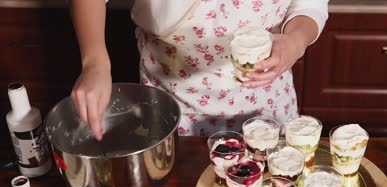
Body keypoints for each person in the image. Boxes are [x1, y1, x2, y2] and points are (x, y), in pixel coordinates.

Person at [69, 0, 328, 139]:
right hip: (174, 98)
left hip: (265, 99)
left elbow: (309, 6)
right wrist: (95, 63)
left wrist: (295, 41)